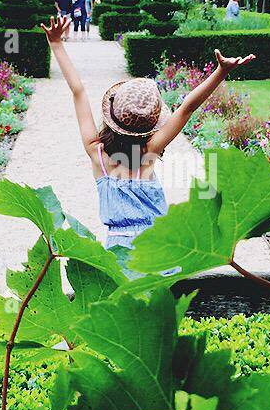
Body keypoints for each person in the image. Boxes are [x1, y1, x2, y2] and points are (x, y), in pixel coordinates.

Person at [41, 14, 256, 250]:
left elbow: (78, 91)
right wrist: (220, 72)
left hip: (118, 250)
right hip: (160, 247)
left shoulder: (98, 155)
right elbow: (186, 108)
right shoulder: (149, 151)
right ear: (150, 126)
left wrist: (56, 44)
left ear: (112, 115)